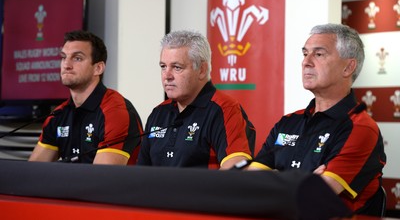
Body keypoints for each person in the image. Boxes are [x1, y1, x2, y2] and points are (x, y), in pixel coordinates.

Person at [247, 24, 386, 215]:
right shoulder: (288, 122)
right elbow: (249, 184)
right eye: (305, 54)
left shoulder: (360, 128)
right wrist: (305, 181)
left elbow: (315, 197)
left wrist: (276, 178)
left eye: (318, 54)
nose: (306, 62)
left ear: (348, 67)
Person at [137, 30, 255, 169]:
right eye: (163, 67)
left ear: (202, 70)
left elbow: (235, 171)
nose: (167, 76)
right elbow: (141, 173)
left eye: (177, 67)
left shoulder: (225, 109)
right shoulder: (158, 113)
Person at [29, 30, 143, 165]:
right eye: (64, 57)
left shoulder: (115, 112)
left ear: (98, 68)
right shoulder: (58, 115)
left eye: (77, 58)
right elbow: (33, 171)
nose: (66, 65)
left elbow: (101, 180)